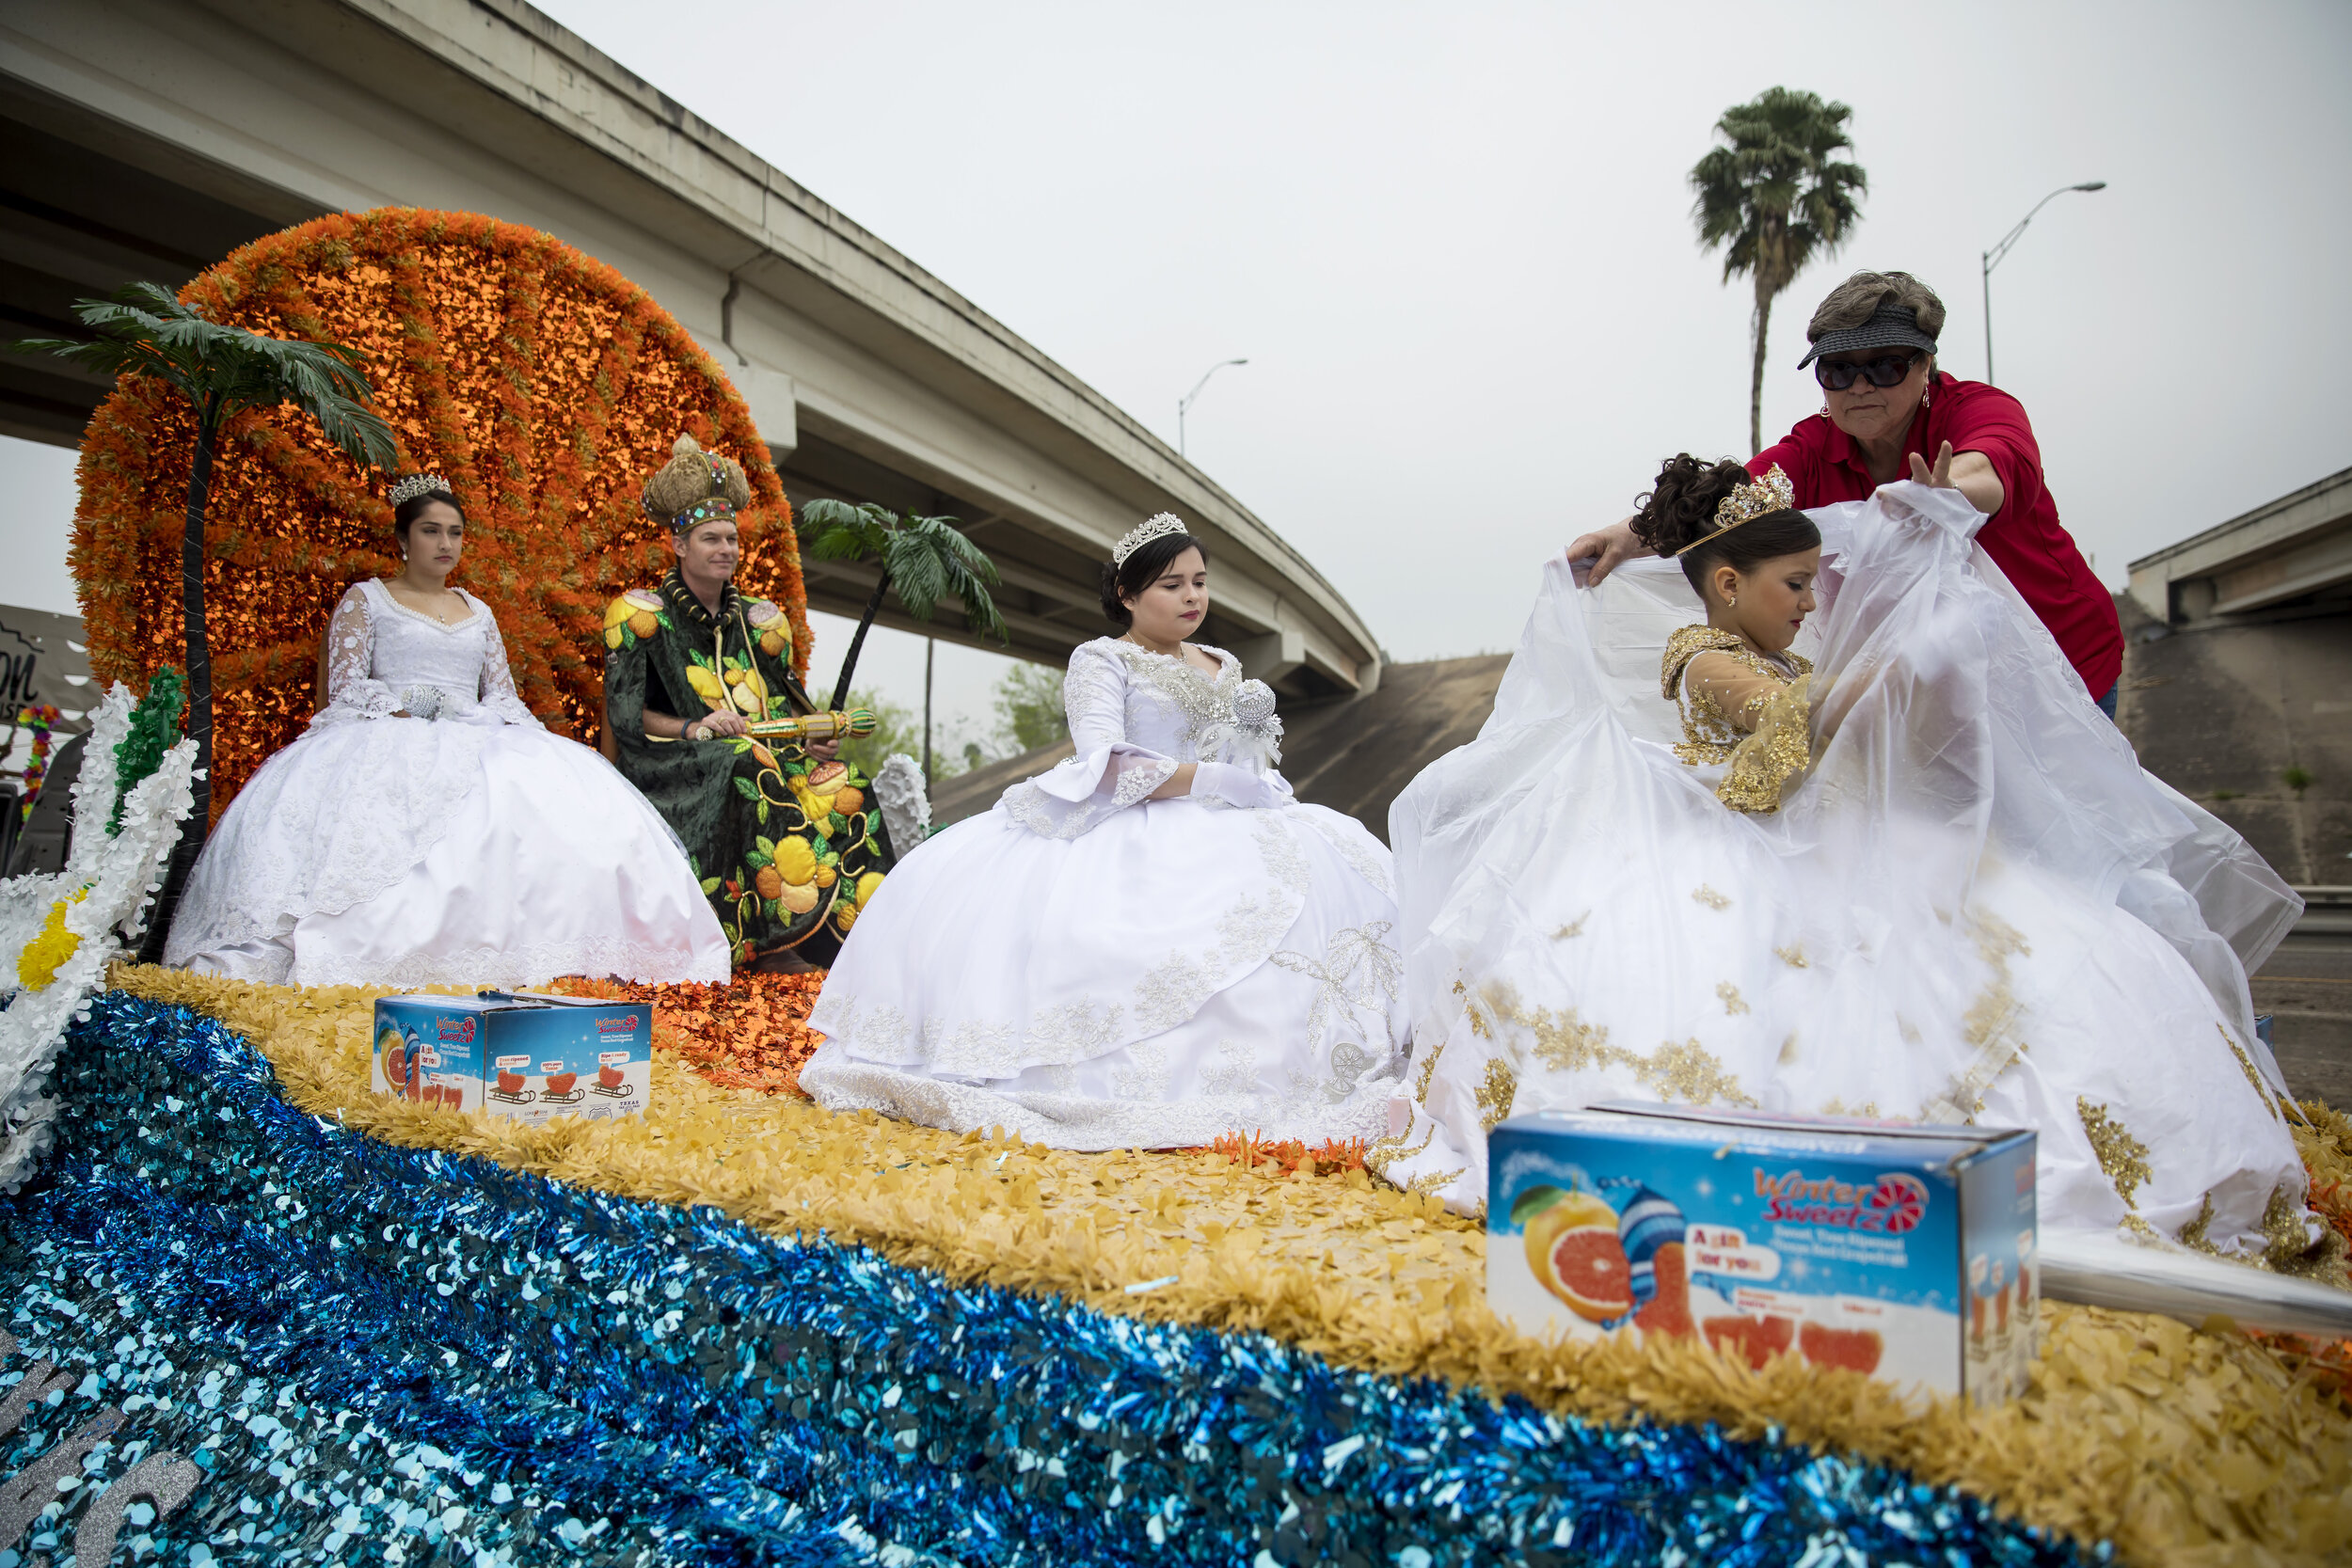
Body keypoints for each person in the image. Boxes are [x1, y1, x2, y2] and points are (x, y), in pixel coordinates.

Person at [1379, 453, 2334, 1276]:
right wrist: (1902, 658)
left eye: (1812, 581)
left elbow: (1860, 734)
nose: (1808, 600)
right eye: (1793, 583)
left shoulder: (1791, 655)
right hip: (1733, 853)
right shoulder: (1696, 654)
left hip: (1816, 844)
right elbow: (1793, 718)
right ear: (1724, 586)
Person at [798, 515, 1409, 1150]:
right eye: (1172, 584)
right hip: (1130, 817)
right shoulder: (1101, 658)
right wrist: (1210, 780)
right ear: (1127, 594)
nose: (1193, 596)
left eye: (1200, 582)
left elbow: (1240, 748)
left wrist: (1252, 773)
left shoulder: (1223, 663)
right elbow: (1107, 760)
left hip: (1231, 821)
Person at [166, 474, 730, 988]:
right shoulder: (367, 600)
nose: (445, 544)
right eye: (431, 531)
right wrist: (403, 708)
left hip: (474, 728)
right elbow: (347, 685)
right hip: (383, 732)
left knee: (541, 806)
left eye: (455, 533)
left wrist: (498, 725)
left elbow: (500, 694)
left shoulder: (477, 610)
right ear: (403, 539)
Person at [1569, 271, 2125, 714]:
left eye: (1884, 366)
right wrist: (1626, 535)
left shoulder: (1980, 410)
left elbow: (1996, 469)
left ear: (1926, 365)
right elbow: (1726, 503)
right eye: (1838, 371)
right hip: (1927, 694)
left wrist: (1943, 494)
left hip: (2059, 671)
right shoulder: (1813, 450)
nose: (1860, 386)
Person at [602, 436, 893, 970]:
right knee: (745, 761)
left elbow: (787, 706)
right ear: (680, 546)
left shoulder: (762, 623)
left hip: (757, 751)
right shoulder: (640, 614)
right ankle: (771, 943)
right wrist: (696, 726)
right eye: (710, 538)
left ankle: (858, 936)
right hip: (671, 761)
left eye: (732, 539)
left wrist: (814, 735)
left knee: (847, 782)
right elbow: (625, 718)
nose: (726, 550)